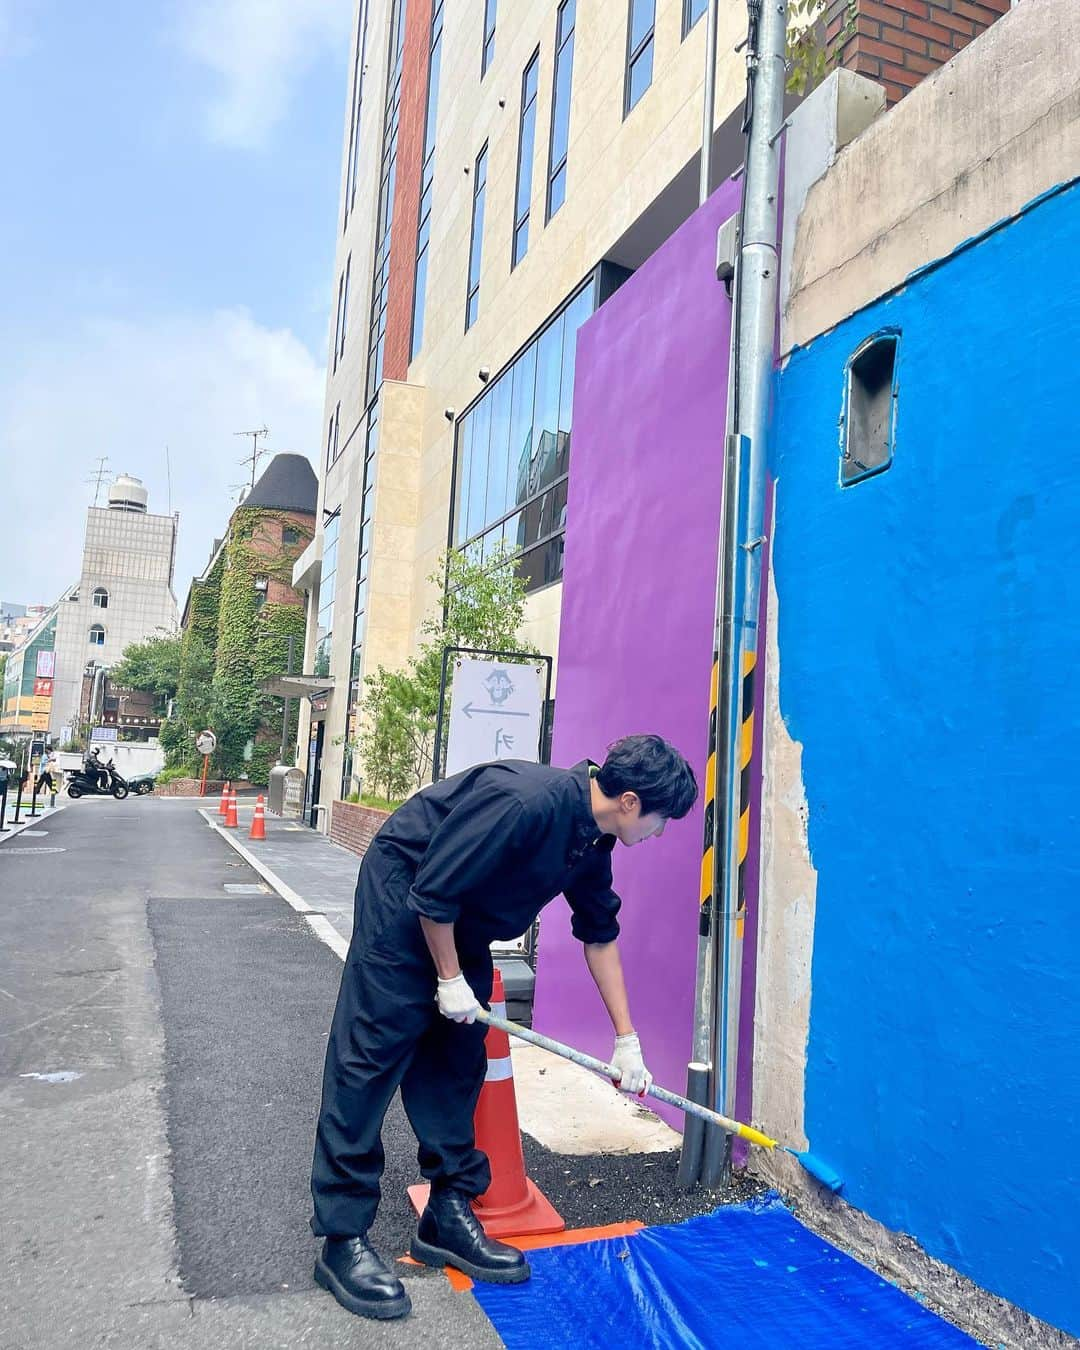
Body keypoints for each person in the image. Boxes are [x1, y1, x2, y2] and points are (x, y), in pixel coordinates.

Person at [310, 734, 698, 1322]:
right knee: (370, 1058)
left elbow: (599, 933)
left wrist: (627, 1040)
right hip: (404, 898)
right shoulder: (526, 804)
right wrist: (447, 979)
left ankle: (447, 1211)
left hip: (453, 916)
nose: (660, 832)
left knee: (457, 1059)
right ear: (627, 800)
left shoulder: (591, 841)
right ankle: (342, 1239)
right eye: (661, 819)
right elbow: (432, 893)